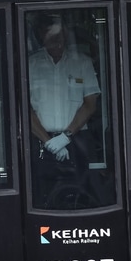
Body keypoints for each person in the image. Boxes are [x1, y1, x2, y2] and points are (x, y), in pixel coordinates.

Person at [28, 14, 102, 208]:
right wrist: (49, 142)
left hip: (77, 141)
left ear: (66, 35)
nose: (56, 40)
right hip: (40, 141)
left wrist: (66, 137)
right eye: (50, 35)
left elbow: (90, 104)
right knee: (43, 196)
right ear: (40, 36)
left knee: (81, 193)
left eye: (59, 35)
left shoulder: (82, 62)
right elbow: (23, 110)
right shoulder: (30, 65)